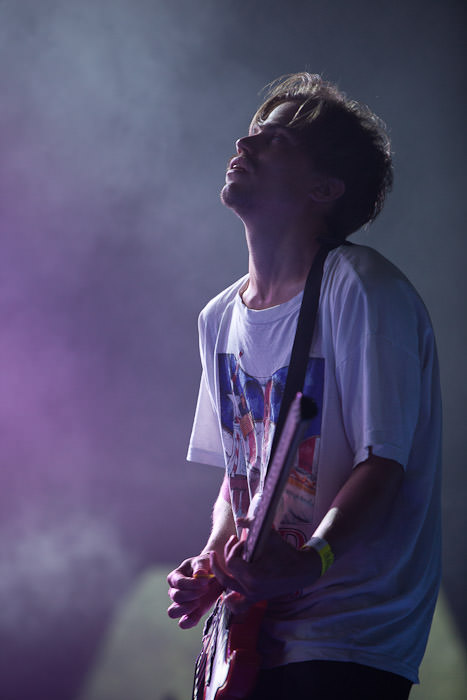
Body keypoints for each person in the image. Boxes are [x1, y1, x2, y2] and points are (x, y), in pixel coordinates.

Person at [167, 73, 441, 700]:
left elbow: (383, 462)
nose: (246, 142)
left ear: (324, 189)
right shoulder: (218, 318)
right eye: (253, 132)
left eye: (278, 140)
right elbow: (242, 472)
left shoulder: (362, 286)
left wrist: (312, 558)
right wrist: (213, 559)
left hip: (348, 631)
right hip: (254, 632)